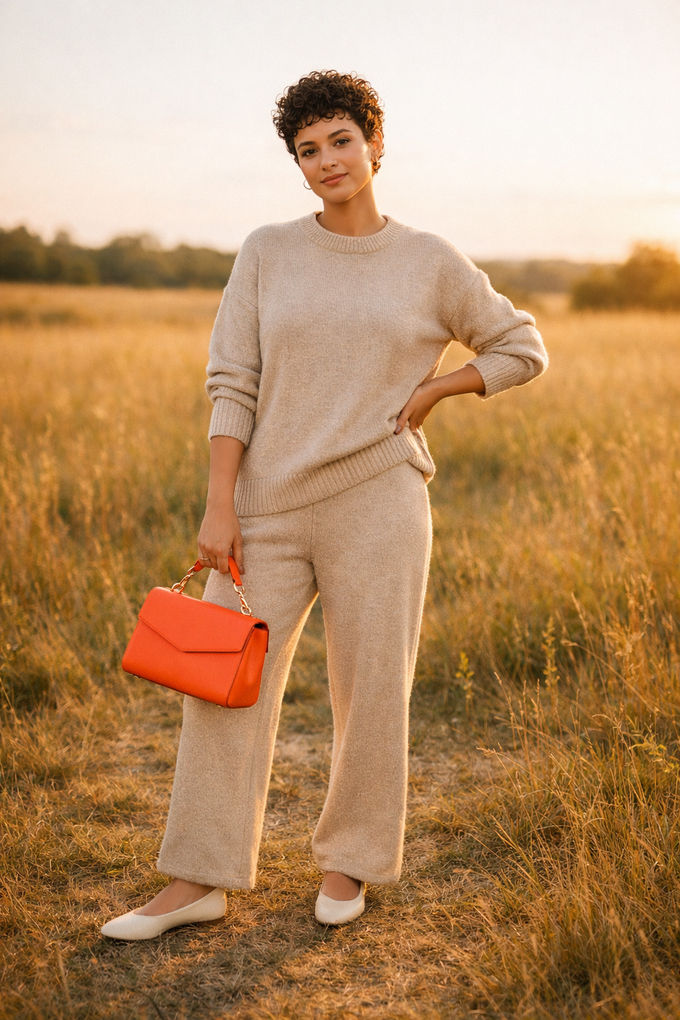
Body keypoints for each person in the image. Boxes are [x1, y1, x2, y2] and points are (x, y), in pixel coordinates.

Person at [102, 70, 548, 940]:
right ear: (298, 166)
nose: (327, 160)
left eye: (341, 140)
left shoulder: (429, 260)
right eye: (308, 150)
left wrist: (438, 391)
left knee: (372, 686)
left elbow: (521, 344)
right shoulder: (267, 251)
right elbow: (233, 381)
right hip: (266, 507)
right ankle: (198, 879)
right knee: (223, 688)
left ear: (377, 144)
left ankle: (350, 862)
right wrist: (219, 504)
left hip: (379, 501)